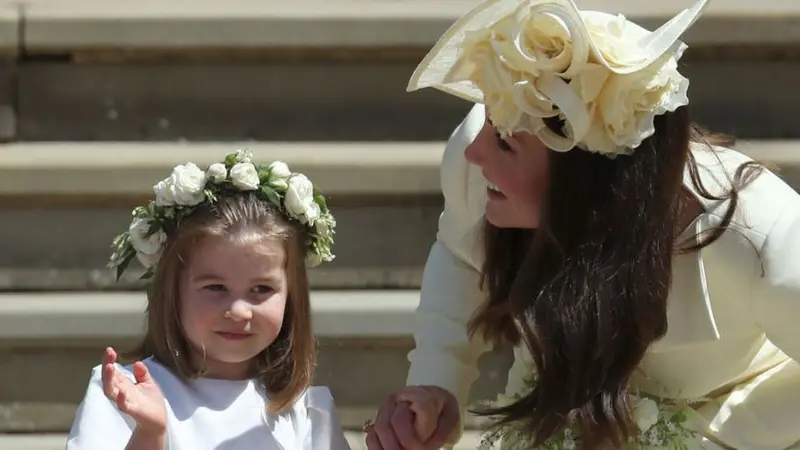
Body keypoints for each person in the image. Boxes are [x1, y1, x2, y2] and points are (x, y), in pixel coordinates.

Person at [367, 0, 800, 449]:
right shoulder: (476, 166)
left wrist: (712, 437)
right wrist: (438, 381)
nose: (476, 153)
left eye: (504, 144)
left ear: (586, 180)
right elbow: (460, 254)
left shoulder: (756, 233)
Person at [66, 150, 349, 449]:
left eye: (262, 289)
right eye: (215, 288)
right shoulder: (125, 394)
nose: (239, 311)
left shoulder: (306, 412)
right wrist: (150, 434)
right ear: (174, 290)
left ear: (291, 296)